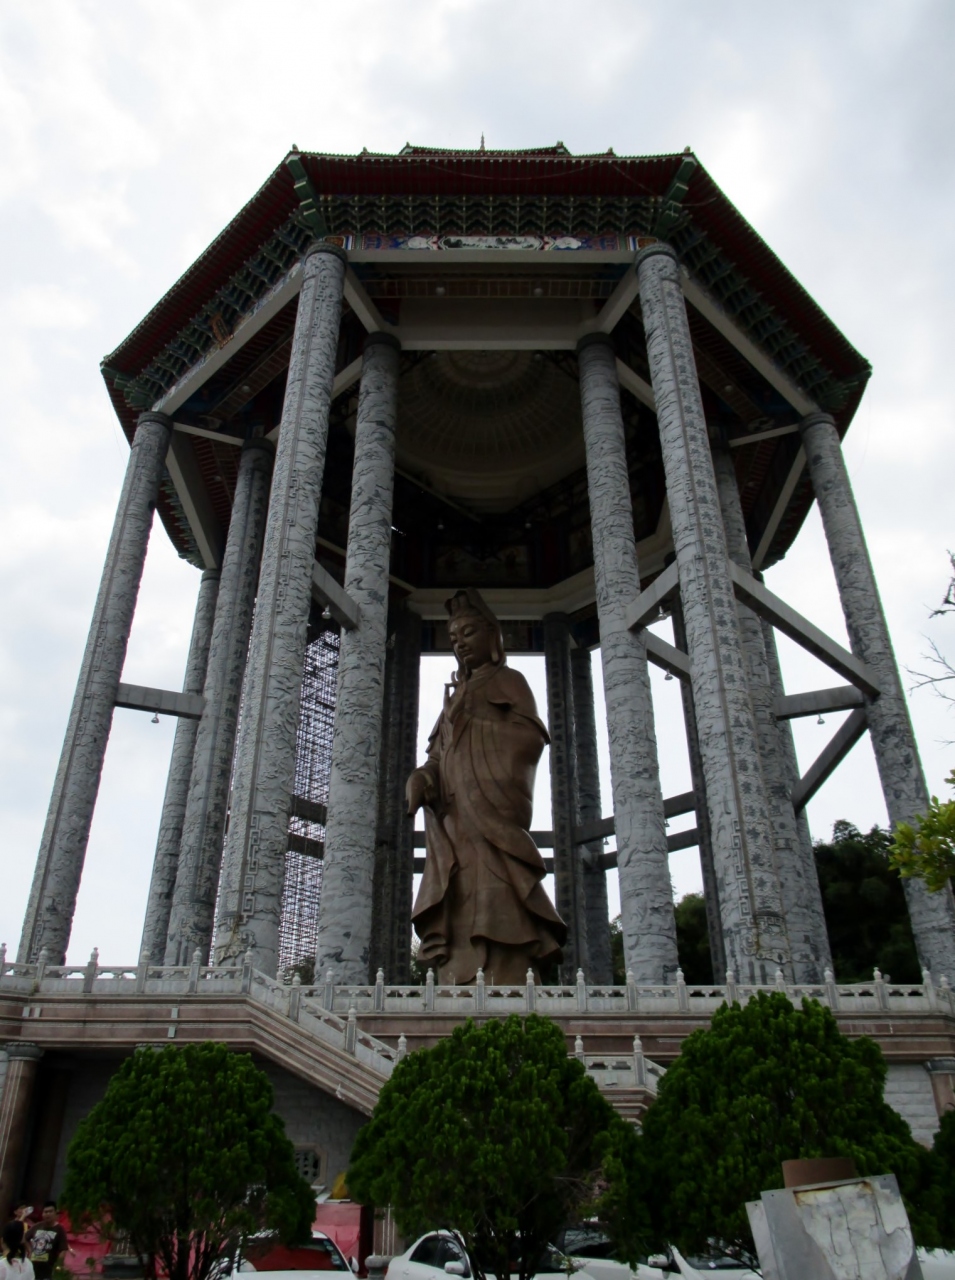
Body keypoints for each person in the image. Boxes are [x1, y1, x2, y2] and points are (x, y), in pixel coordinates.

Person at [407, 588, 566, 984]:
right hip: (456, 820)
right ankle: (456, 977)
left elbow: (529, 739)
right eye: (454, 637)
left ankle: (508, 974)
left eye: (469, 633)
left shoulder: (510, 681)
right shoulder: (455, 696)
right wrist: (423, 777)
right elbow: (438, 755)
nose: (460, 643)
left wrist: (474, 724)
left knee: (500, 892)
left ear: (492, 635)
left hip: (493, 814)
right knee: (457, 891)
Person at [25, 1204, 67, 1280]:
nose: (48, 1214)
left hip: (48, 1268)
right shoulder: (37, 1226)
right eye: (45, 1212)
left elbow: (63, 1249)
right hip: (33, 1266)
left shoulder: (59, 1229)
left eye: (50, 1211)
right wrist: (29, 1250)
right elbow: (24, 1239)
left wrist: (58, 1265)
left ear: (55, 1213)